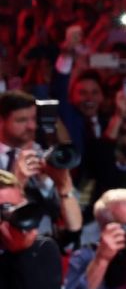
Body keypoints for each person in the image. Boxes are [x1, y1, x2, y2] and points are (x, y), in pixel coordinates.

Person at [0, 92, 83, 245]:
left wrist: (54, 183)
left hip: (45, 246)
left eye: (33, 118)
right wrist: (17, 181)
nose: (32, 126)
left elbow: (75, 222)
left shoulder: (45, 155)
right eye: (22, 120)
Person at [0, 170, 62, 289]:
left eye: (16, 207)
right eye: (4, 208)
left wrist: (22, 253)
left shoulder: (41, 249)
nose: (10, 215)